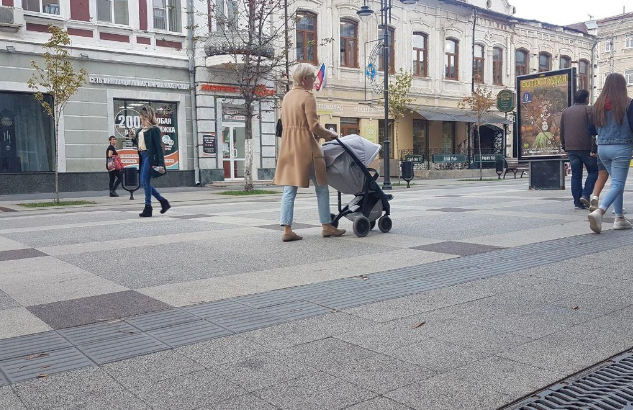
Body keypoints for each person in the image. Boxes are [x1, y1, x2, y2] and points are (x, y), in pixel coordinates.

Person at [273, 63, 345, 242]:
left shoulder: (287, 97)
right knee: (322, 187)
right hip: (306, 146)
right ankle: (327, 226)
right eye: (312, 77)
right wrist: (330, 135)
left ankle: (287, 230)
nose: (314, 80)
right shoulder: (308, 97)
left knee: (289, 189)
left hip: (289, 146)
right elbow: (313, 126)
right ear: (304, 79)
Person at [587, 73, 633, 233]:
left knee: (615, 183)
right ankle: (600, 211)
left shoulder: (597, 105)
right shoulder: (628, 103)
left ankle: (619, 218)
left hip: (603, 148)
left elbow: (591, 129)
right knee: (618, 183)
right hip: (621, 147)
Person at [560, 89, 597, 210]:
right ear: (586, 98)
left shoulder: (566, 112)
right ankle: (586, 195)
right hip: (586, 147)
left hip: (571, 148)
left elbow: (562, 130)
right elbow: (593, 130)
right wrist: (594, 148)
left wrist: (564, 145)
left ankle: (577, 202)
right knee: (594, 171)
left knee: (576, 175)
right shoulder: (589, 109)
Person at [132, 105, 170, 218]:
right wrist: (133, 138)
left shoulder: (154, 130)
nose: (140, 117)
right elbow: (139, 145)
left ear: (146, 116)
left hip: (150, 157)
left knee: (144, 181)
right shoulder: (140, 130)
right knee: (145, 183)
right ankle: (163, 201)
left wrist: (161, 164)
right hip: (143, 157)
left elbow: (159, 147)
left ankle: (148, 207)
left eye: (141, 115)